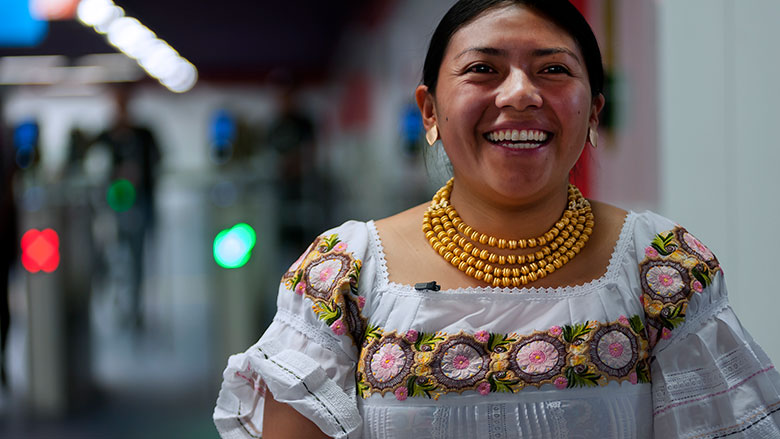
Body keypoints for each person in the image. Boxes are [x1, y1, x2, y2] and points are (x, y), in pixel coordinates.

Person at [213, 1, 780, 437]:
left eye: (553, 69)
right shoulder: (343, 275)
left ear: (594, 112)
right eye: (483, 68)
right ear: (429, 110)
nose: (520, 94)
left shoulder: (661, 269)